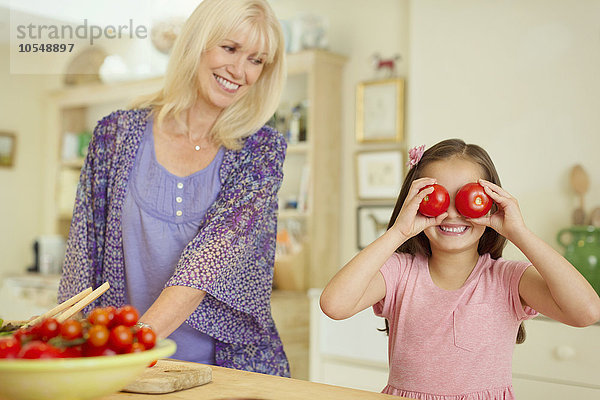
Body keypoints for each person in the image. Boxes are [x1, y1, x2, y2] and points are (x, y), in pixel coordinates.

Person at [58, 0, 290, 376]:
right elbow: (82, 259)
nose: (240, 70)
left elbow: (208, 261)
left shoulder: (261, 151)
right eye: (230, 49)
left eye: (256, 60)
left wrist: (131, 347)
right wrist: (77, 352)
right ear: (196, 43)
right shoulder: (115, 136)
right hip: (120, 365)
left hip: (223, 371)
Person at [320, 139, 600, 399]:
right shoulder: (400, 273)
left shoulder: (507, 279)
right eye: (437, 197)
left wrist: (519, 232)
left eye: (468, 197)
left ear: (491, 203)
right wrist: (398, 232)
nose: (452, 212)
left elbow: (586, 312)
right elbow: (335, 304)